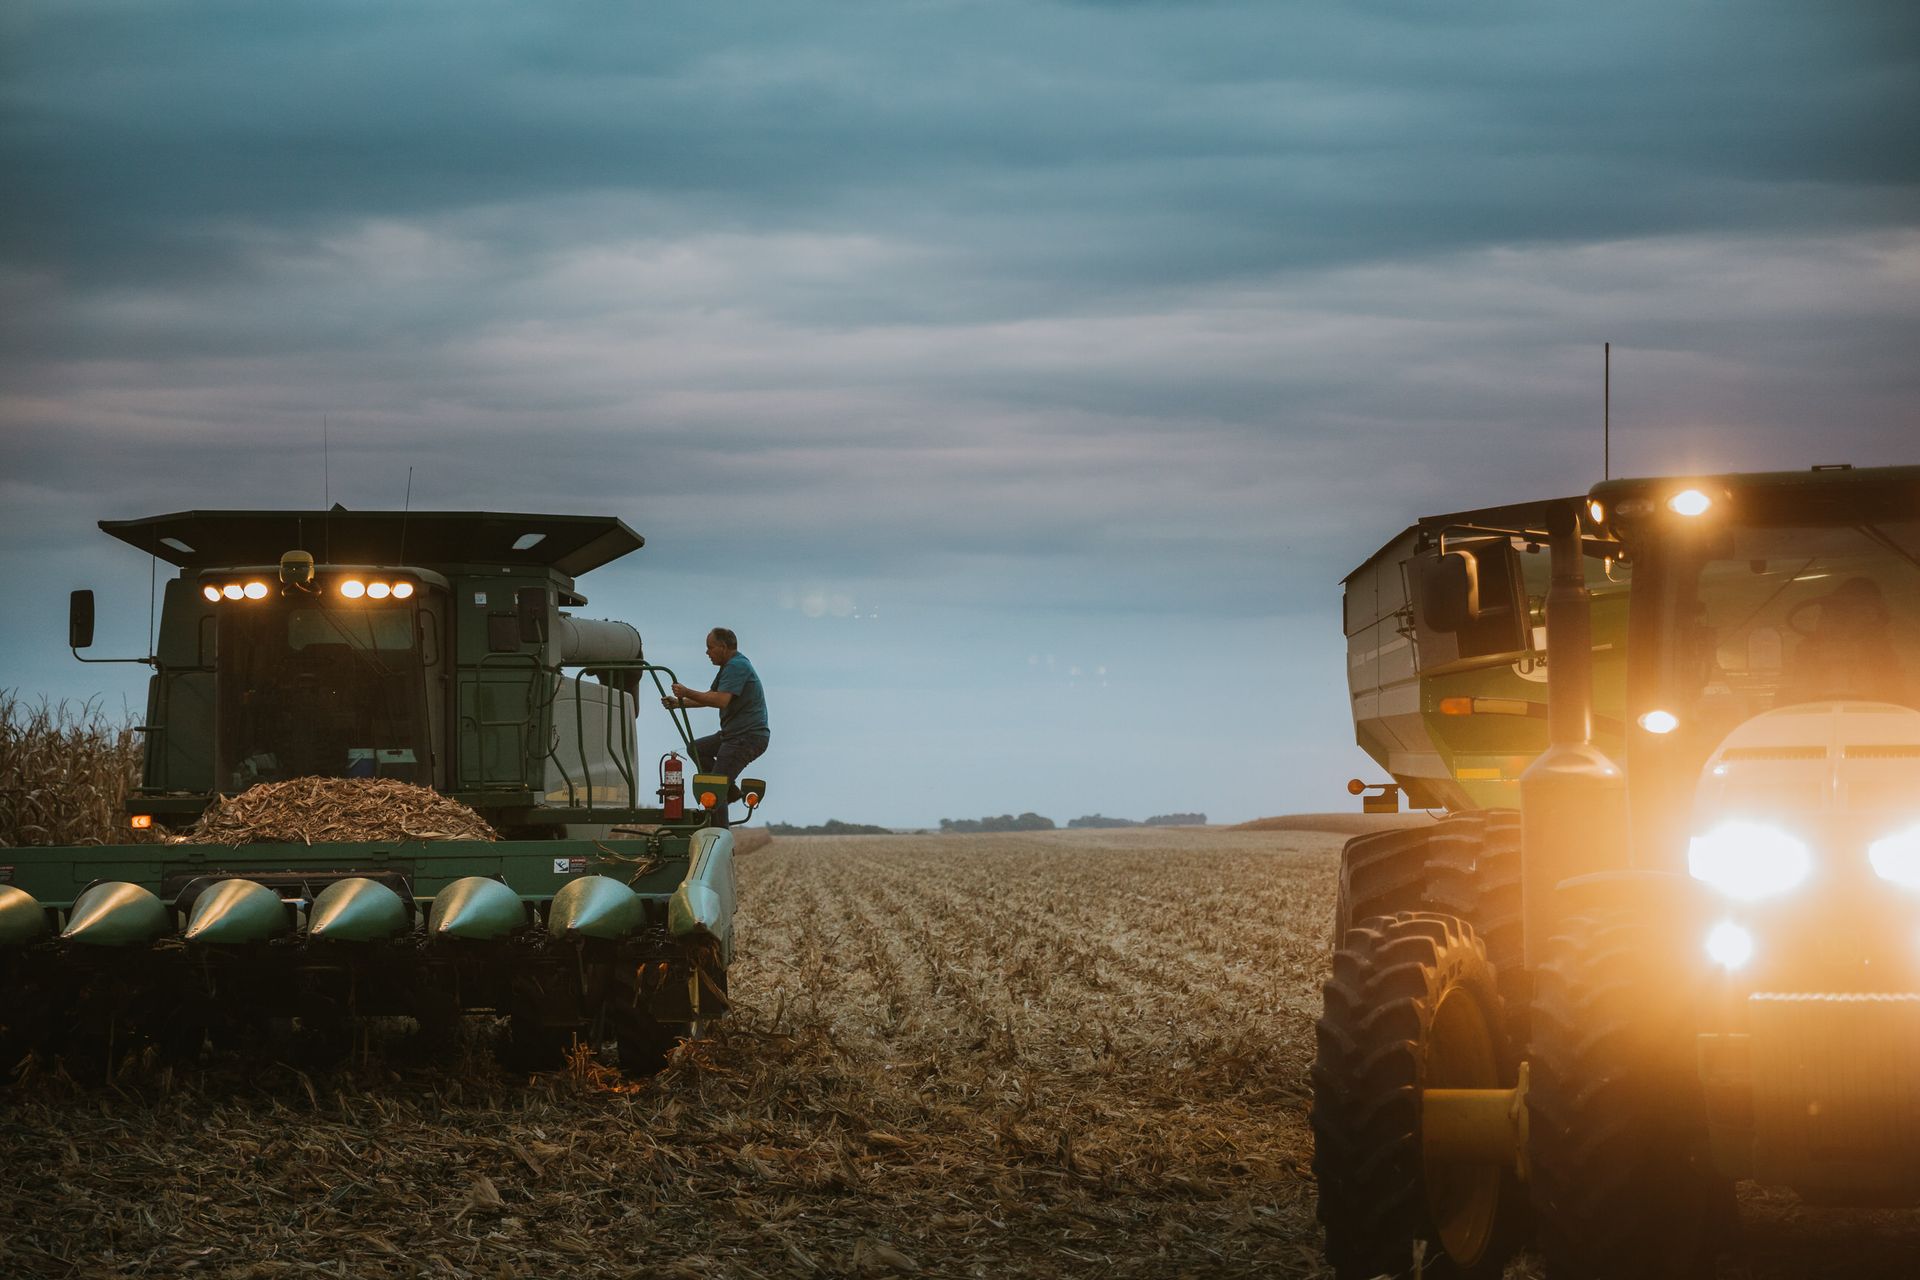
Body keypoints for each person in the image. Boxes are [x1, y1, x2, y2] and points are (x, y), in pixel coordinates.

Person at [663, 627, 769, 800]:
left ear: (723, 647)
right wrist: (679, 704)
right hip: (733, 735)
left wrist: (686, 692)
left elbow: (720, 700)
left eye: (710, 647)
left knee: (713, 790)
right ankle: (729, 791)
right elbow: (709, 697)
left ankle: (720, 802)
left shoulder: (737, 666)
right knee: (696, 749)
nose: (707, 652)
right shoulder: (729, 667)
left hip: (746, 737)